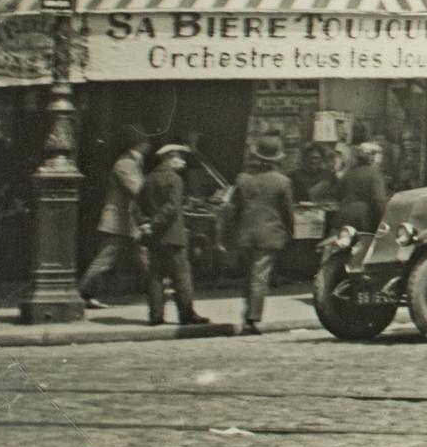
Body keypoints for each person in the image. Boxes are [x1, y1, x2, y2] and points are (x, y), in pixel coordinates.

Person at [225, 137, 296, 335]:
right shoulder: (283, 181)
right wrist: (291, 232)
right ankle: (252, 319)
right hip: (270, 234)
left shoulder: (243, 179)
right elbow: (288, 212)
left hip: (246, 234)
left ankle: (247, 312)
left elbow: (235, 209)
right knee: (260, 277)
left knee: (250, 276)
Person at [77, 125, 151, 310]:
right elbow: (137, 190)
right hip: (119, 221)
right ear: (141, 144)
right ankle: (83, 294)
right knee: (105, 260)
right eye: (147, 142)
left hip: (129, 221)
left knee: (144, 256)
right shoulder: (125, 164)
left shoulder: (133, 162)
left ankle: (159, 291)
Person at [136, 145, 210, 326]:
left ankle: (155, 315)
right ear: (169, 159)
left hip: (154, 238)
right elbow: (172, 207)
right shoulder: (175, 179)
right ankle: (186, 315)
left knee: (155, 277)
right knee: (182, 276)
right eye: (179, 158)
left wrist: (144, 223)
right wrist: (154, 224)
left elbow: (136, 206)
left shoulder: (148, 178)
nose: (183, 162)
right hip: (172, 236)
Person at [332, 141, 390, 230]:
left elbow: (337, 194)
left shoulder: (349, 173)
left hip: (343, 216)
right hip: (363, 220)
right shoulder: (374, 175)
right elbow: (379, 201)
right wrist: (386, 220)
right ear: (373, 158)